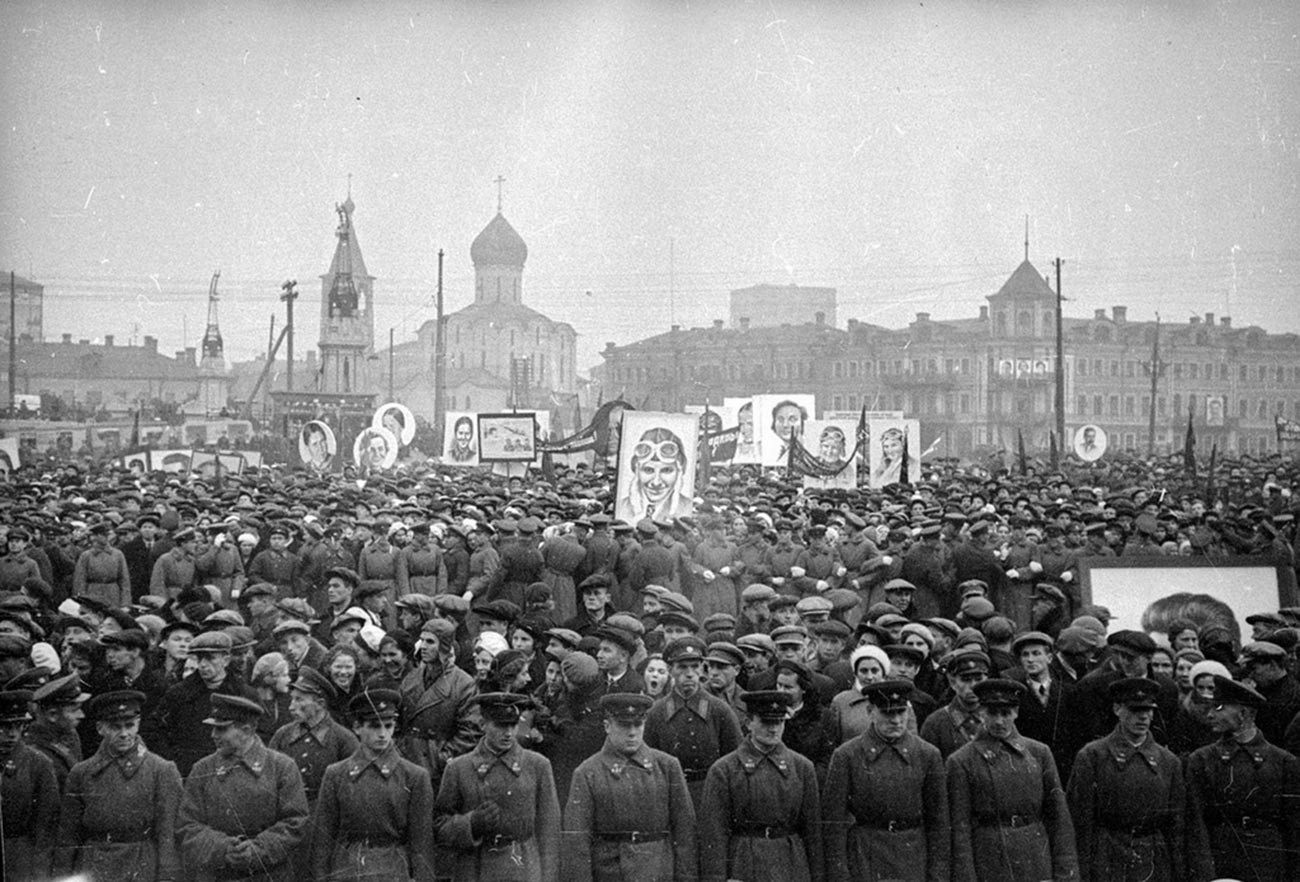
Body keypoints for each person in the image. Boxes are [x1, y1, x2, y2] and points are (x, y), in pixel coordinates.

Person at [946, 678, 1078, 882]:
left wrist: (1066, 873)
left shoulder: (1039, 753)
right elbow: (960, 828)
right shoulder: (961, 761)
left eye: (1006, 713)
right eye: (992, 713)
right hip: (989, 862)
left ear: (1016, 713)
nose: (999, 721)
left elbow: (1059, 818)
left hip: (1035, 859)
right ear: (981, 712)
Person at [823, 679, 950, 882]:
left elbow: (939, 821)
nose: (896, 720)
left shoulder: (927, 754)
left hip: (913, 857)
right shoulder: (847, 755)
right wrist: (840, 874)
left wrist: (938, 874)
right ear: (870, 711)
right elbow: (833, 823)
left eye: (901, 712)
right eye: (888, 713)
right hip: (865, 856)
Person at [561, 692, 697, 882]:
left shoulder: (667, 766)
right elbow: (577, 842)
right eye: (624, 725)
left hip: (659, 871)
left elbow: (684, 832)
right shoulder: (587, 773)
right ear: (607, 726)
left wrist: (686, 878)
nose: (632, 732)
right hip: (610, 873)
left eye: (638, 725)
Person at [54, 689, 184, 882]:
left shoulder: (161, 770)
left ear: (138, 725)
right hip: (93, 866)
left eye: (129, 725)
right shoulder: (82, 773)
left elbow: (167, 835)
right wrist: (63, 876)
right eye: (115, 727)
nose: (124, 734)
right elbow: (68, 837)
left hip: (142, 865)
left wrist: (168, 877)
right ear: (100, 728)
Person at [177, 694, 309, 882]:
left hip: (269, 875)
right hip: (217, 875)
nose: (213, 735)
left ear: (246, 730)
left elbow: (296, 822)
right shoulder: (202, 769)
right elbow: (188, 825)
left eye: (221, 729)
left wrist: (257, 851)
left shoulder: (282, 767)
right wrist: (223, 848)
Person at [1065, 677, 1185, 882]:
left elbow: (1177, 826)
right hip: (1106, 857)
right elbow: (1080, 821)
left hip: (1154, 859)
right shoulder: (1093, 756)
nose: (1143, 718)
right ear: (1117, 709)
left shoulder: (1168, 762)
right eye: (1135, 711)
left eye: (1148, 711)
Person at [434, 692, 561, 882]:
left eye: (513, 725)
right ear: (483, 724)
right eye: (500, 725)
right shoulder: (459, 768)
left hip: (524, 868)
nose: (509, 733)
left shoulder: (537, 765)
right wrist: (470, 824)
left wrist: (549, 878)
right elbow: (439, 826)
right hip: (474, 869)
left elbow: (549, 831)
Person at [311, 689, 436, 882]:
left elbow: (422, 844)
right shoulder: (336, 774)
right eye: (375, 726)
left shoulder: (414, 776)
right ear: (357, 727)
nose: (383, 734)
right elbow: (323, 839)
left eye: (388, 726)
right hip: (346, 870)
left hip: (393, 870)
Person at [698, 690, 823, 882]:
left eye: (779, 722)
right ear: (749, 723)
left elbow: (813, 833)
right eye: (766, 722)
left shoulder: (802, 768)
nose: (774, 729)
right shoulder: (725, 770)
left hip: (791, 864)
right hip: (744, 864)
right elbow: (714, 835)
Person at [1185, 675, 1300, 882]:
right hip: (1221, 861)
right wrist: (1204, 874)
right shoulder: (1202, 760)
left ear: (1243, 713)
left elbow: (1294, 828)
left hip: (1268, 863)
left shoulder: (1283, 762)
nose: (1210, 714)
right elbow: (1196, 824)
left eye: (1219, 708)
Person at [0, 688, 60, 882]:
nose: (12, 734)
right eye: (4, 726)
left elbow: (47, 823)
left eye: (18, 726)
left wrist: (40, 872)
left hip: (20, 859)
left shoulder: (38, 764)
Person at [618, 427, 691, 522]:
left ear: (679, 471)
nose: (656, 483)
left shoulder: (688, 509)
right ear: (636, 470)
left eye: (667, 470)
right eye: (648, 470)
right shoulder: (621, 508)